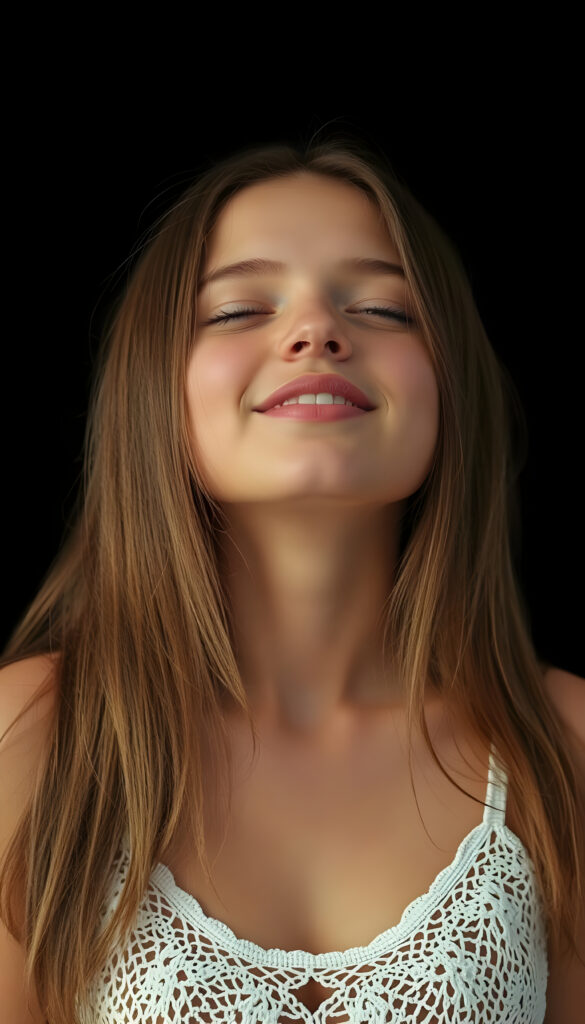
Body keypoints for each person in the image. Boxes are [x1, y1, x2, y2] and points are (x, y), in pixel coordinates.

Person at [0, 133, 583, 1024]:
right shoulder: (32, 737)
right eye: (237, 310)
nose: (317, 331)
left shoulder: (566, 748)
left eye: (385, 309)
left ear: (449, 384)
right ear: (154, 387)